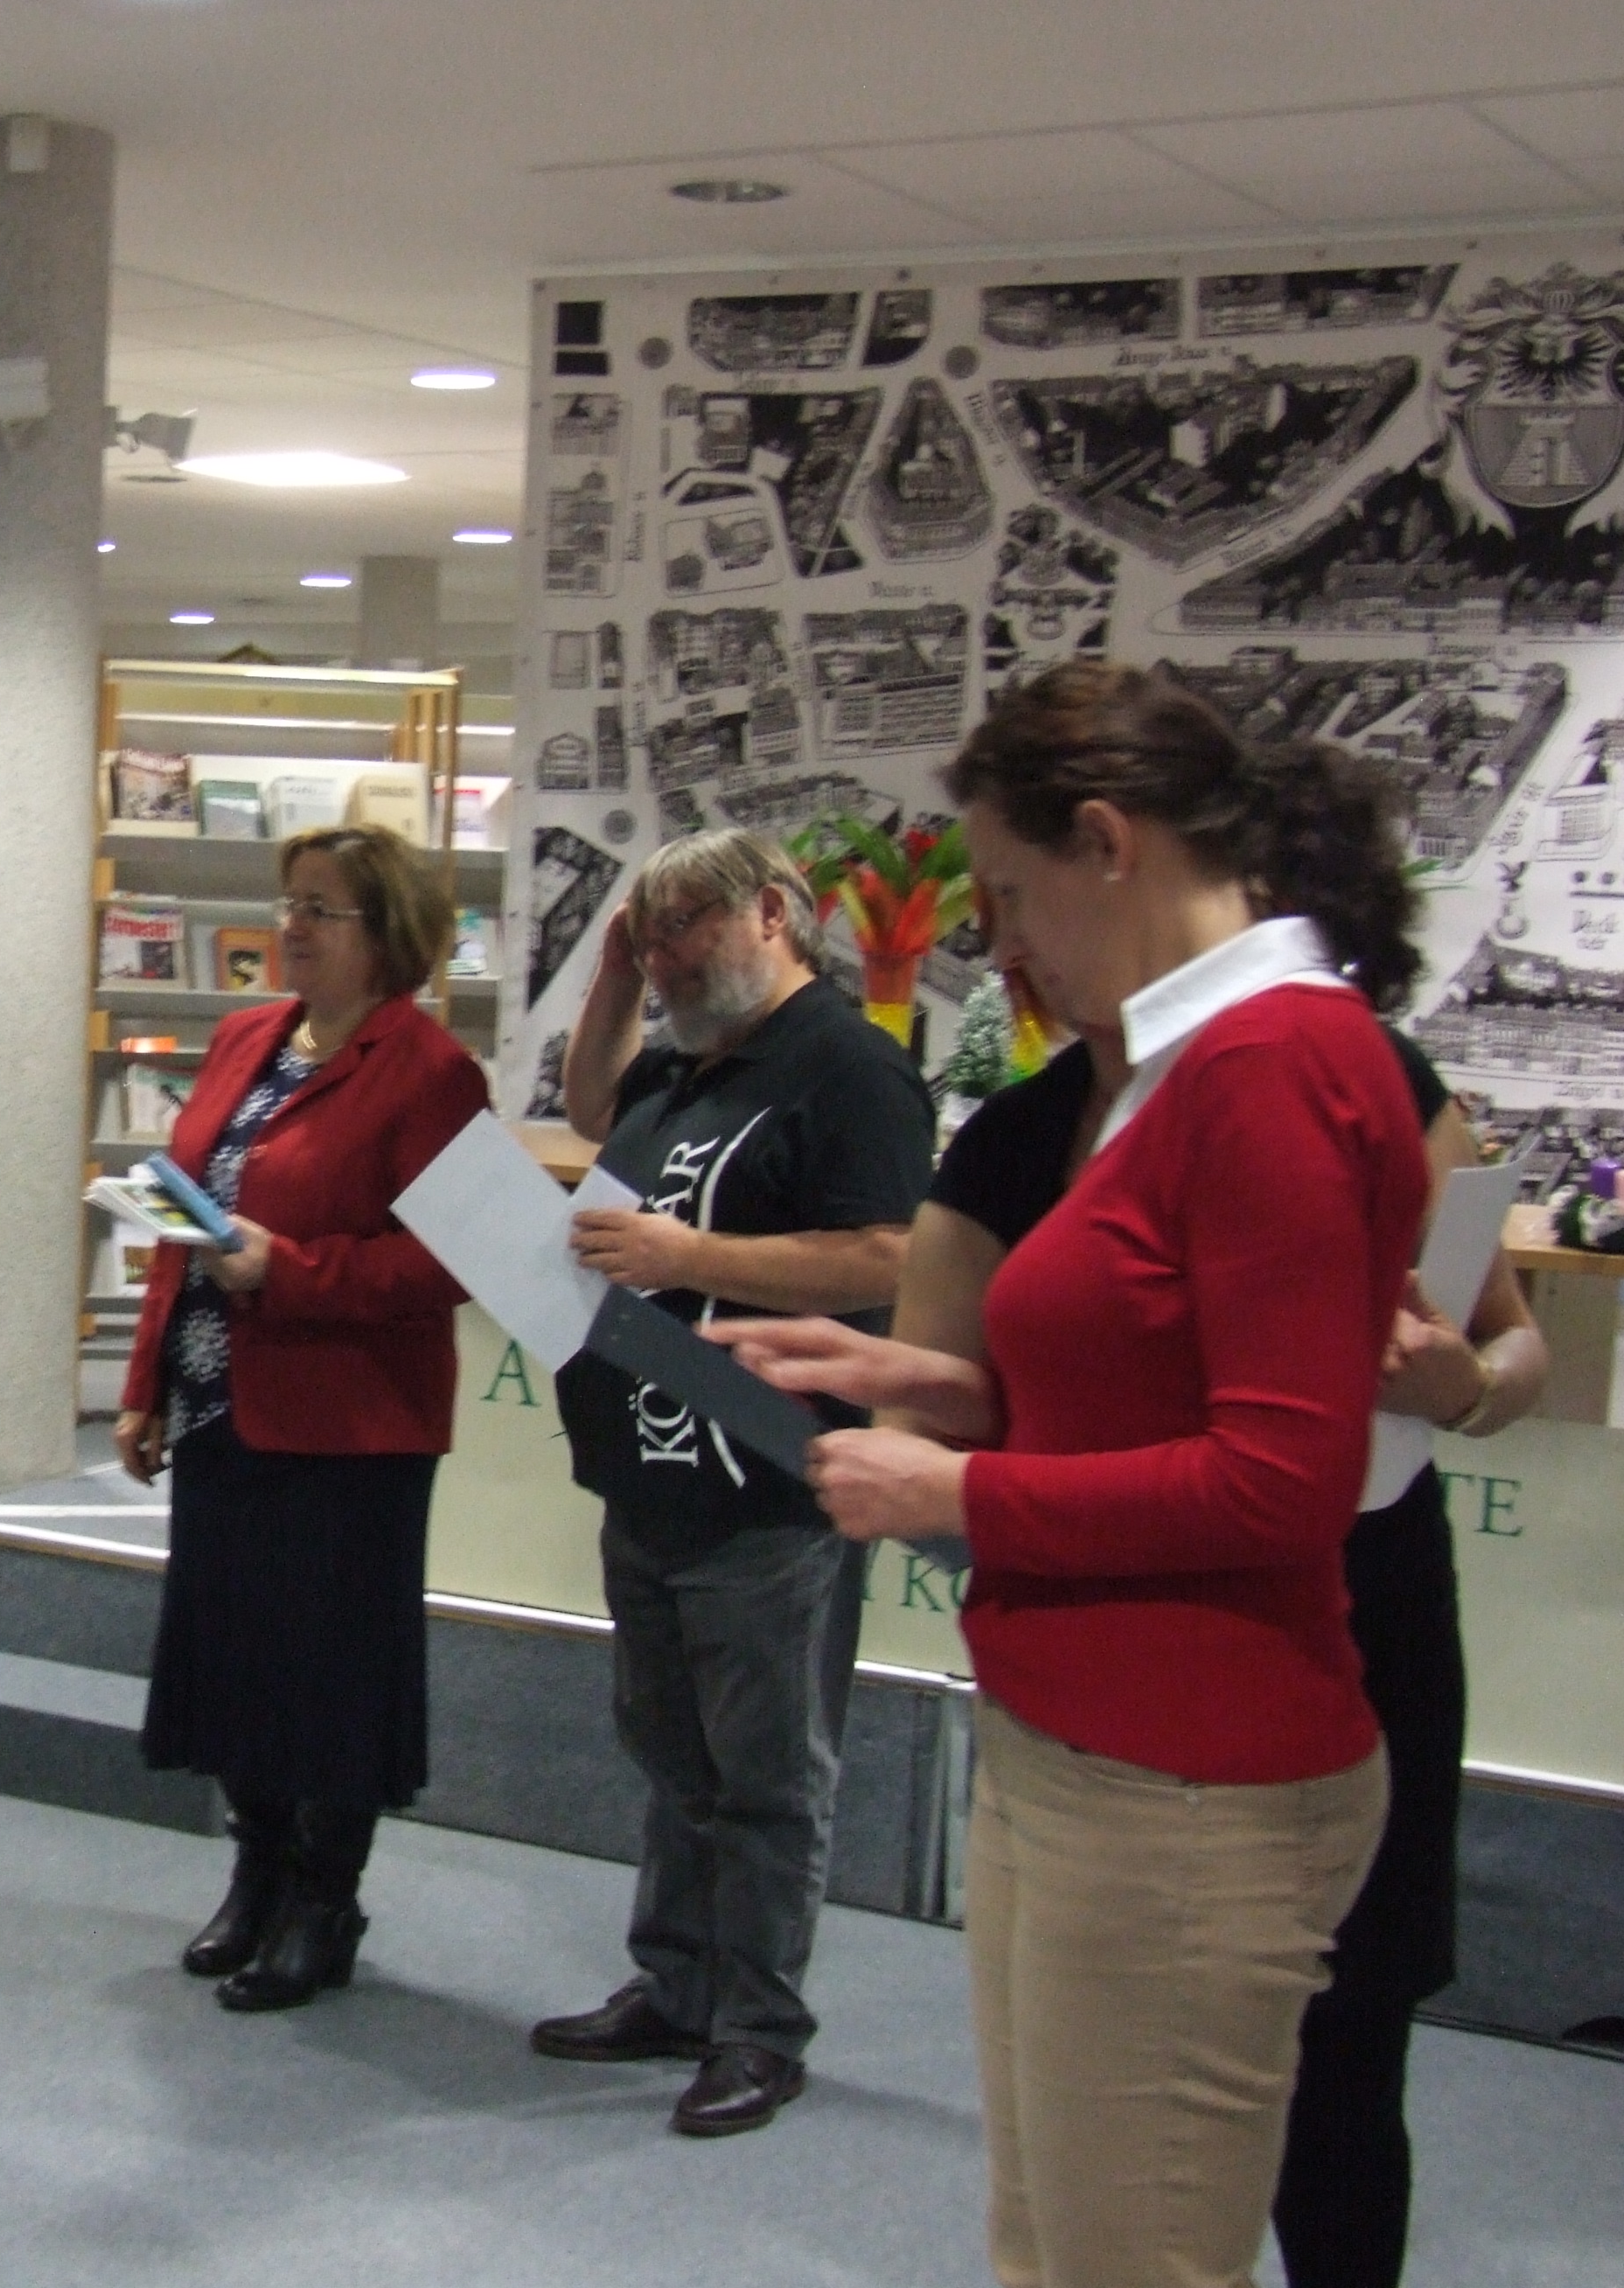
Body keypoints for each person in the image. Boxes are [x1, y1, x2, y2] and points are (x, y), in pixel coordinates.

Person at [715, 662, 1435, 2288]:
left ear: (1110, 843)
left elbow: (1282, 1481)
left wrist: (957, 1497)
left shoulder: (1273, 1065)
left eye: (1014, 896)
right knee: (1051, 2243)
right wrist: (948, 1390)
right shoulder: (1179, 1064)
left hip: (1186, 1780)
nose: (1008, 947)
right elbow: (1155, 1388)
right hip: (1087, 1744)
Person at [907, 969, 1544, 2288]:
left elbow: (1507, 1346)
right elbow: (940, 1412)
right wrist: (946, 1446)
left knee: (1350, 2050)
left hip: (1359, 1611)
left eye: (1031, 902)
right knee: (1100, 2127)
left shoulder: (1346, 1073)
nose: (1020, 957)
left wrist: (1466, 1386)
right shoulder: (1018, 1142)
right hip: (1138, 1670)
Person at [526, 825, 934, 2137]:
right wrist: (608, 975)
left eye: (681, 930)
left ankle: (758, 2027)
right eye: (645, 939)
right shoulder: (688, 1063)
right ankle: (678, 1986)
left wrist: (685, 1254)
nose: (663, 959)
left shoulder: (847, 1065)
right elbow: (594, 1110)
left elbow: (887, 1257)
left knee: (766, 1775)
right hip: (650, 1472)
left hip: (766, 1475)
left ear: (769, 912)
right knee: (673, 1755)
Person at [115, 824, 487, 2012]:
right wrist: (146, 1384)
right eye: (289, 905)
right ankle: (257, 1872)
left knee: (328, 1675)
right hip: (221, 1400)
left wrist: (294, 1269)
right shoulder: (246, 1037)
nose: (292, 927)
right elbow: (187, 1215)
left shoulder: (431, 1071)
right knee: (234, 1659)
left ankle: (325, 1901)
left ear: (387, 933)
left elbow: (450, 1264)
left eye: (321, 909)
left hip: (350, 1424)